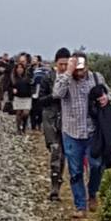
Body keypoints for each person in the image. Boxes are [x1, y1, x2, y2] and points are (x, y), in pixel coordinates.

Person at [53, 51, 110, 218]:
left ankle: (92, 193)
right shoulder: (64, 78)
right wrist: (68, 72)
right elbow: (57, 93)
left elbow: (109, 94)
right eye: (76, 67)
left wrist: (106, 98)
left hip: (92, 131)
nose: (80, 71)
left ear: (87, 65)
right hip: (71, 132)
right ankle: (80, 206)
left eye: (81, 67)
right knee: (75, 171)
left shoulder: (96, 78)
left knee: (97, 165)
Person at [40, 47, 70, 201]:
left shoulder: (72, 80)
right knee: (55, 151)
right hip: (51, 119)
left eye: (66, 64)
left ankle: (56, 187)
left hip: (67, 120)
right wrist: (54, 96)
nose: (64, 67)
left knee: (62, 154)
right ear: (56, 63)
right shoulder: (47, 78)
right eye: (61, 64)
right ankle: (54, 184)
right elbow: (40, 100)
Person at [11, 62, 32, 134]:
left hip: (27, 97)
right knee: (18, 113)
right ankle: (18, 129)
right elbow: (9, 86)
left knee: (26, 113)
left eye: (21, 68)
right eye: (18, 68)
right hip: (18, 97)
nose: (19, 69)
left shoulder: (27, 77)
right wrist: (12, 90)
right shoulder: (13, 78)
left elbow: (31, 85)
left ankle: (23, 125)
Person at [30, 55, 46, 131]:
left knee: (40, 110)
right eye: (32, 59)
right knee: (32, 110)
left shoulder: (43, 70)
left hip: (41, 92)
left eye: (35, 60)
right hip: (32, 92)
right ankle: (33, 126)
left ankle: (39, 124)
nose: (33, 61)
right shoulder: (29, 70)